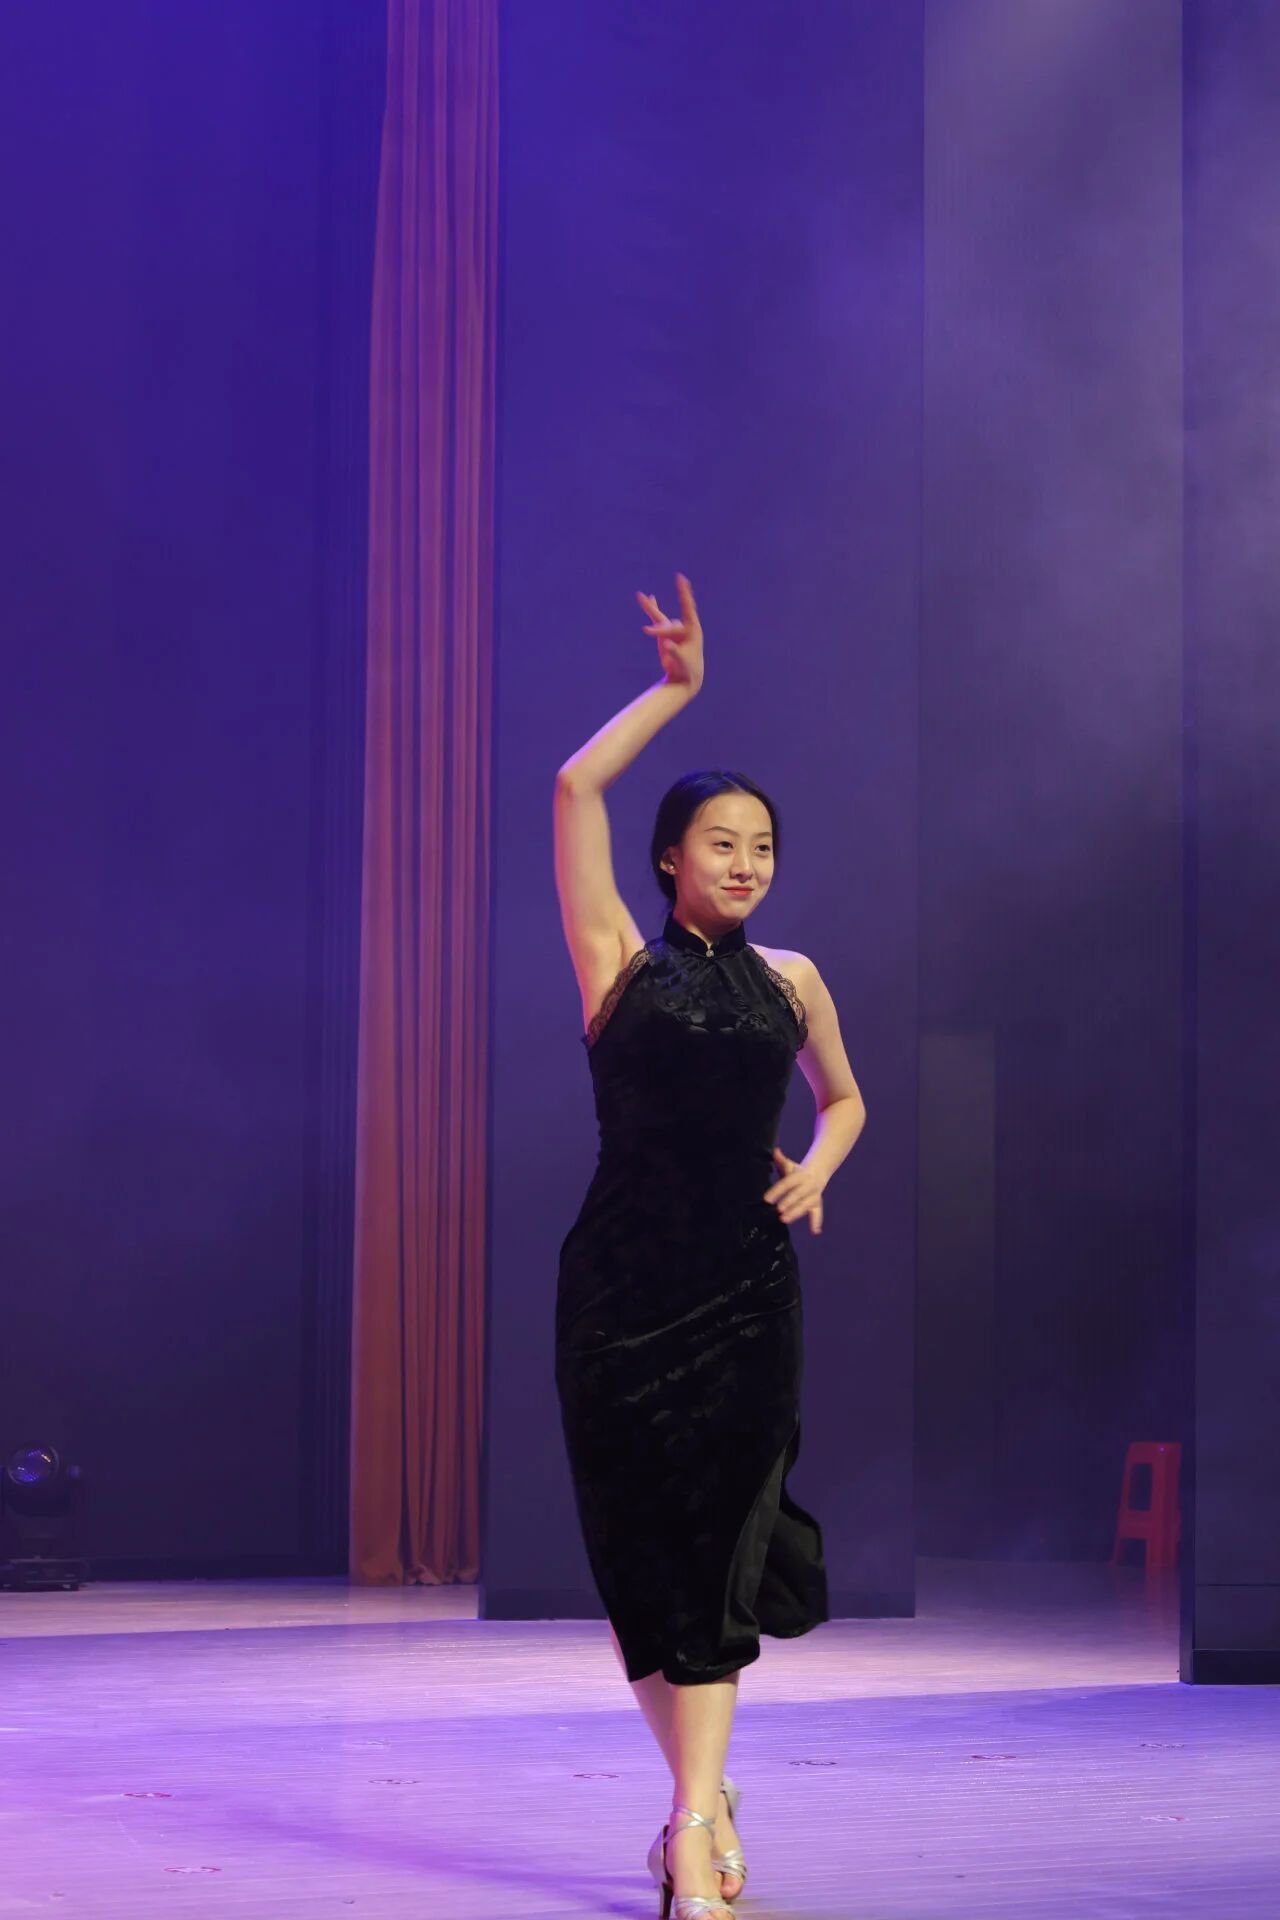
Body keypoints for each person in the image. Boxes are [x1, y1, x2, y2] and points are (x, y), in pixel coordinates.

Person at [552, 574, 866, 1919]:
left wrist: (820, 1169)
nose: (745, 862)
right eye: (721, 843)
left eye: (763, 847)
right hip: (619, 1296)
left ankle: (689, 1827)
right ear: (671, 856)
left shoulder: (795, 980)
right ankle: (707, 1797)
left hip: (747, 1295)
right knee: (640, 1556)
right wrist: (675, 690)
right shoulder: (617, 962)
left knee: (726, 1547)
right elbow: (574, 787)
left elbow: (844, 1100)